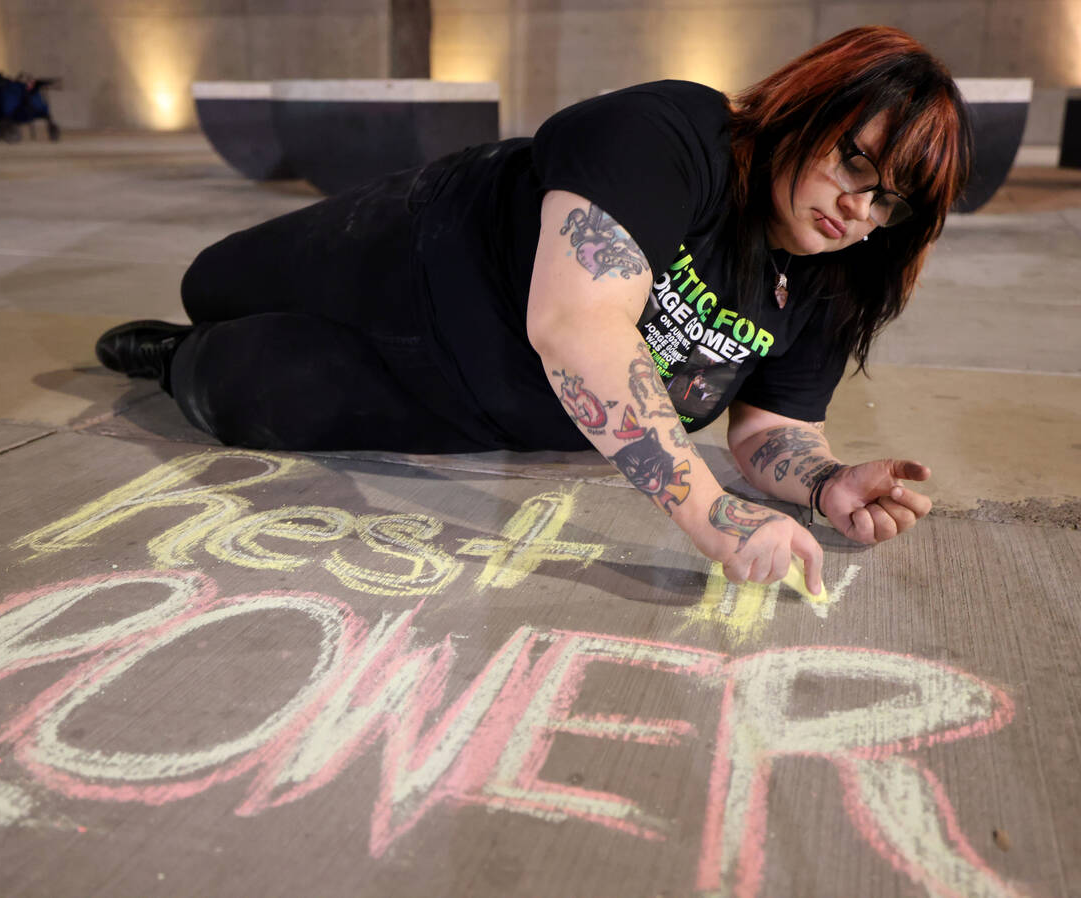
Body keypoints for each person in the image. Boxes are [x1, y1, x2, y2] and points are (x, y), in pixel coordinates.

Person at [97, 26, 971, 595]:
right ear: (806, 108)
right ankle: (189, 326)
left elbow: (769, 426)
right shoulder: (675, 137)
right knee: (211, 282)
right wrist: (713, 513)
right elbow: (578, 325)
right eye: (856, 165)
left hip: (475, 404)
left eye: (890, 203)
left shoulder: (830, 277)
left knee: (240, 393)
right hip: (411, 258)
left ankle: (174, 360)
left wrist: (821, 482)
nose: (860, 209)